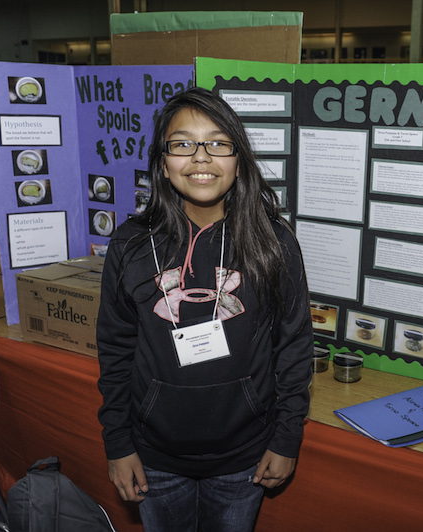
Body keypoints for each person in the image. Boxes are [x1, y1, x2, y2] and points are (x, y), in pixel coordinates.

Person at [96, 86, 313, 531]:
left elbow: (294, 345)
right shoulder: (131, 243)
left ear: (238, 159)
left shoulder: (273, 242)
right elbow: (115, 350)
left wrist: (287, 437)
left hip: (243, 454)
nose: (200, 157)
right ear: (162, 161)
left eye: (218, 143)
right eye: (182, 144)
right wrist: (118, 444)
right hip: (154, 453)